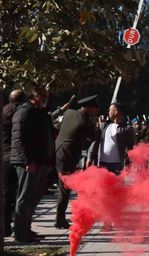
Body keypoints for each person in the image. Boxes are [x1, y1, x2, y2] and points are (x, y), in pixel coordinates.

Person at [11, 88, 56, 243]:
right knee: (24, 198)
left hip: (40, 161)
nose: (45, 98)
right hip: (29, 163)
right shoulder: (25, 111)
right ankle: (20, 234)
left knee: (32, 198)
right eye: (42, 95)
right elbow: (19, 138)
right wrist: (28, 161)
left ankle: (26, 230)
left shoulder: (38, 111)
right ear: (32, 96)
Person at [54, 95, 100, 229]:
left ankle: (60, 217)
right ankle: (59, 219)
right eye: (95, 108)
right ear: (90, 108)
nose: (96, 111)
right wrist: (98, 128)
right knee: (64, 188)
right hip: (68, 156)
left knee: (61, 186)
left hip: (58, 151)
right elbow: (95, 137)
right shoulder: (85, 122)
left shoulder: (69, 112)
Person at [3, 90, 27, 237]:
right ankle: (15, 227)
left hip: (5, 155)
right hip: (13, 156)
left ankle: (6, 226)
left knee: (7, 193)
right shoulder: (19, 112)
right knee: (17, 194)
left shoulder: (4, 110)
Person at [88, 102, 134, 175]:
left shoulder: (127, 128)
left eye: (110, 110)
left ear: (116, 112)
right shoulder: (104, 126)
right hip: (102, 163)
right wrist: (90, 158)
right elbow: (95, 143)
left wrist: (128, 164)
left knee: (116, 185)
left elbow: (130, 147)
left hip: (117, 165)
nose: (108, 112)